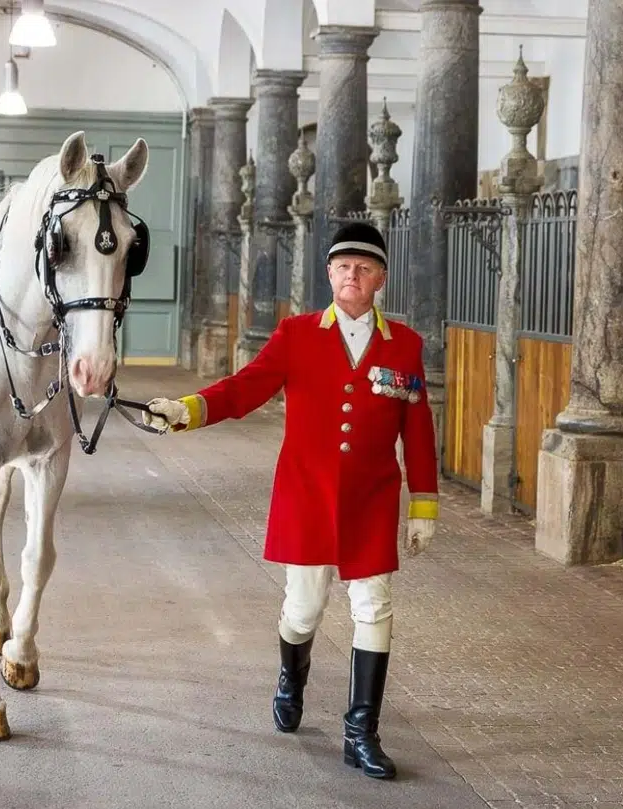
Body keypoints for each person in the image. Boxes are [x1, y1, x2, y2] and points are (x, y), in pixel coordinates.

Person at [142, 221, 439, 780]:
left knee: (374, 607)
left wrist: (424, 504)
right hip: (307, 494)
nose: (352, 274)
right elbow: (245, 388)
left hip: (372, 499)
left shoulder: (407, 346)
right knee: (303, 610)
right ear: (329, 275)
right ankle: (291, 677)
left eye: (364, 267)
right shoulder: (296, 334)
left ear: (380, 279)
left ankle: (361, 732)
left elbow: (417, 432)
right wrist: (188, 409)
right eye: (343, 266)